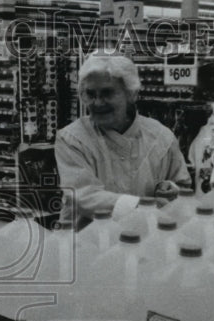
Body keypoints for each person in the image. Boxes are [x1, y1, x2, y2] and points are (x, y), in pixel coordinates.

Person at [55, 54, 191, 225]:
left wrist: (171, 190)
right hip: (87, 244)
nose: (97, 103)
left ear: (131, 94)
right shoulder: (73, 139)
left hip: (146, 240)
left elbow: (183, 188)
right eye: (90, 94)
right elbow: (84, 195)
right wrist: (142, 206)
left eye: (107, 93)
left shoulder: (161, 137)